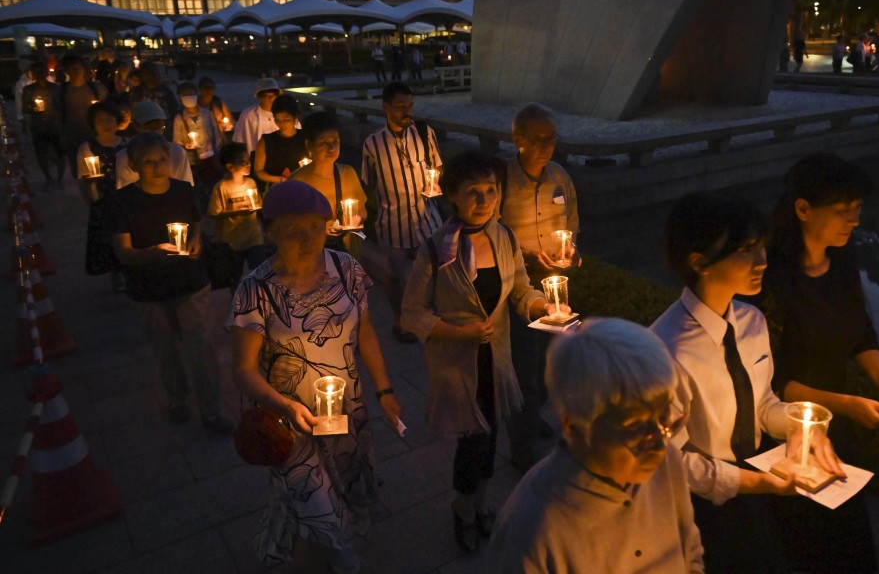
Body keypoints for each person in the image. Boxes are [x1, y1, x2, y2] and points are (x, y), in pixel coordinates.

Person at [650, 191, 844, 573]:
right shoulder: (664, 349)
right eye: (746, 249)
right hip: (700, 505)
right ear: (700, 262)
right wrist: (758, 484)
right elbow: (670, 461)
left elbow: (763, 404)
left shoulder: (751, 321)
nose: (762, 261)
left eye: (762, 247)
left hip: (757, 480)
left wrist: (801, 428)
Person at [230, 180, 401, 574]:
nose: (307, 237)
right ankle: (339, 559)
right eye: (293, 229)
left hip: (347, 413)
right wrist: (285, 405)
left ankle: (331, 552)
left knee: (339, 496)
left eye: (316, 226)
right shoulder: (255, 290)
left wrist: (385, 389)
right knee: (316, 506)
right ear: (270, 232)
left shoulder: (347, 269)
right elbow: (242, 370)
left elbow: (367, 332)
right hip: (290, 423)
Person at [757, 153, 879, 573]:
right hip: (785, 428)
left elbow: (861, 331)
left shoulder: (841, 259)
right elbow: (773, 379)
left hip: (838, 423)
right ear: (803, 209)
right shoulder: (767, 279)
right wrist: (846, 405)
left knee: (851, 542)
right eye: (843, 210)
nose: (854, 220)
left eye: (857, 209)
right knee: (807, 542)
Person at [401, 150, 558, 553]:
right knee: (471, 441)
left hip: (495, 360)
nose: (484, 200)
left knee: (489, 438)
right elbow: (412, 313)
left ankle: (482, 505)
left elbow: (520, 288)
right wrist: (459, 331)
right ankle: (463, 508)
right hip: (458, 365)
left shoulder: (503, 236)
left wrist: (544, 305)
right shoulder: (436, 250)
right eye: (473, 191)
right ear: (451, 194)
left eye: (491, 190)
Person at [487, 318, 704, 574]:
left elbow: (690, 553)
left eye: (665, 414)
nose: (659, 442)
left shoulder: (666, 461)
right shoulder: (532, 533)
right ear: (573, 425)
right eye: (636, 426)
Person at [108, 132, 233, 432]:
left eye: (161, 159)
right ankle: (177, 399)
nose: (157, 166)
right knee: (165, 349)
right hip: (148, 288)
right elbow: (123, 253)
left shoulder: (183, 190)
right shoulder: (122, 202)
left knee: (200, 346)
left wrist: (195, 243)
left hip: (191, 282)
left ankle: (212, 410)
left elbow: (196, 224)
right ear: (134, 166)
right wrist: (152, 254)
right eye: (148, 162)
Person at [499, 103, 580, 472]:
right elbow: (491, 234)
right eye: (539, 139)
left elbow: (573, 223)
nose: (548, 145)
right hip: (515, 289)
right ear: (518, 139)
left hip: (555, 288)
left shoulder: (560, 177)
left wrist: (572, 252)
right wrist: (525, 252)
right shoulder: (500, 180)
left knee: (551, 364)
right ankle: (521, 444)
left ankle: (532, 417)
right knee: (524, 367)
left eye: (553, 138)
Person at [361, 81, 443, 341]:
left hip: (426, 219)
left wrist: (434, 180)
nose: (407, 111)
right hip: (392, 223)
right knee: (395, 279)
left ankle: (432, 319)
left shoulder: (424, 132)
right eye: (400, 107)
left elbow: (438, 166)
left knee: (434, 274)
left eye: (410, 105)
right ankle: (400, 321)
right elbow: (368, 184)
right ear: (386, 108)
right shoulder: (372, 144)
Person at [289, 112, 367, 256]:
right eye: (324, 142)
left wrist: (356, 219)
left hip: (348, 254)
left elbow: (362, 210)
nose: (331, 148)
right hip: (312, 256)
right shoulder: (296, 181)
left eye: (335, 142)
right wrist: (318, 230)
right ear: (309, 145)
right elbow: (289, 224)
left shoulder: (348, 173)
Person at [77, 100, 127, 290]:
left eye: (110, 119)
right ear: (93, 123)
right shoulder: (87, 148)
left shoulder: (127, 144)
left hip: (125, 198)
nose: (106, 124)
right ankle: (116, 274)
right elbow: (82, 178)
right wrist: (91, 198)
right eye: (100, 120)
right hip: (103, 199)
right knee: (109, 238)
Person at [207, 142, 269, 287]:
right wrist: (238, 212)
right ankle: (237, 304)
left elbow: (258, 204)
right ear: (230, 166)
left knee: (261, 273)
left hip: (254, 237)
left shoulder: (251, 183)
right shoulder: (222, 187)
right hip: (232, 241)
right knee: (235, 276)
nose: (248, 165)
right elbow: (214, 213)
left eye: (248, 161)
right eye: (243, 162)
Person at [116, 102, 193, 189]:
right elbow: (125, 193)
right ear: (135, 125)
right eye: (148, 125)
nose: (154, 130)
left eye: (158, 125)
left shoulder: (178, 153)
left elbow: (186, 187)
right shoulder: (125, 157)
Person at [21, 61, 66, 190]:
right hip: (38, 126)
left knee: (60, 153)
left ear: (46, 73)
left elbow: (62, 106)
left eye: (41, 72)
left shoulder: (56, 88)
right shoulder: (28, 89)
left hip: (55, 125)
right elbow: (25, 108)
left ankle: (60, 178)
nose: (39, 75)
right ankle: (48, 178)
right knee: (41, 154)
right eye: (36, 73)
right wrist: (33, 109)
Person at [60, 55, 107, 177]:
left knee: (100, 169)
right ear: (67, 70)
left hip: (95, 135)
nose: (77, 70)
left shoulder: (96, 89)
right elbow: (58, 114)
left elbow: (106, 109)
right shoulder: (61, 91)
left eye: (79, 67)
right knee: (79, 172)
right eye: (73, 68)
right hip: (72, 136)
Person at [171, 81, 222, 188]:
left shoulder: (207, 113)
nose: (189, 97)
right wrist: (186, 146)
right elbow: (176, 141)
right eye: (185, 95)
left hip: (210, 156)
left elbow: (215, 134)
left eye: (191, 94)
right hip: (193, 161)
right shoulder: (179, 118)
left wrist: (217, 151)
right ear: (180, 98)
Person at [253, 94, 307, 188]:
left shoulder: (306, 138)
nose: (281, 124)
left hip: (304, 186)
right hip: (276, 187)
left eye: (286, 119)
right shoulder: (267, 141)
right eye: (277, 120)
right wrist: (280, 180)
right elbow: (259, 171)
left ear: (295, 118)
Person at [233, 78, 282, 155]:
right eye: (267, 95)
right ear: (259, 96)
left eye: (274, 95)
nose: (271, 99)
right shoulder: (248, 114)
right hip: (255, 160)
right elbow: (238, 140)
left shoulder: (285, 114)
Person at [129, 61, 179, 132]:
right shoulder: (137, 92)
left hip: (165, 130)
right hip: (144, 130)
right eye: (147, 74)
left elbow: (174, 109)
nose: (150, 76)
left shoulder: (165, 91)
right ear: (142, 76)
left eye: (152, 73)